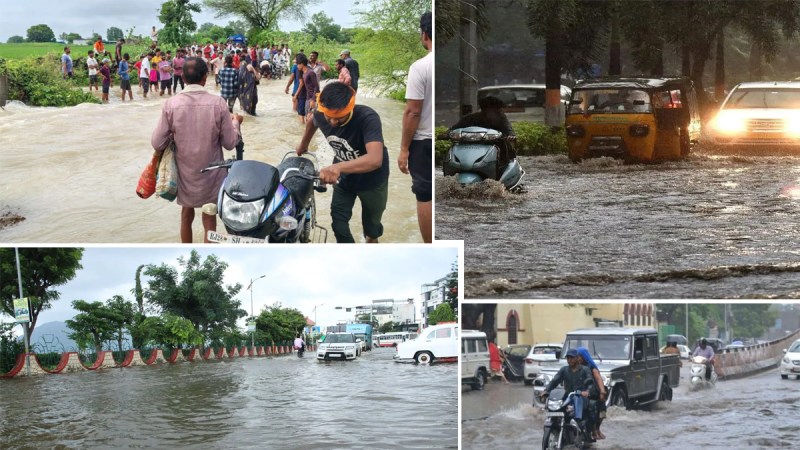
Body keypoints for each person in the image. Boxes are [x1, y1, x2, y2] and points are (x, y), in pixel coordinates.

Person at [151, 57, 243, 243]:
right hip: (212, 174)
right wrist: (236, 123)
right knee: (210, 219)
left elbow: (157, 142)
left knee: (186, 214)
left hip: (185, 175)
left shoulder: (171, 104)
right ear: (205, 77)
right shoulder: (218, 104)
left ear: (183, 78)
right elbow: (229, 143)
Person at [295, 82, 390, 243]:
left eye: (339, 118)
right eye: (328, 116)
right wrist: (303, 145)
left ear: (350, 107)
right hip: (344, 178)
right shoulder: (320, 114)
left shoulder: (367, 117)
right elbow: (312, 121)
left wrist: (337, 167)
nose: (332, 122)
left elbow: (375, 159)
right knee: (338, 224)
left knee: (372, 230)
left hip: (372, 180)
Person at [398, 11, 432, 243]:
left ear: (424, 34)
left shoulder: (420, 67)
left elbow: (413, 111)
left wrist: (403, 149)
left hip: (423, 143)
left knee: (425, 196)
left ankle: (430, 244)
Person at [449, 95, 516, 179]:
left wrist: (511, 136)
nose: (498, 112)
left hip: (496, 146)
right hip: (473, 147)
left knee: (504, 155)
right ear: (484, 109)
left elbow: (509, 129)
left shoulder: (501, 118)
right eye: (492, 110)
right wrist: (446, 134)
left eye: (498, 110)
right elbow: (455, 127)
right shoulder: (472, 118)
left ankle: (499, 176)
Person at [541, 349, 593, 421]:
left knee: (583, 402)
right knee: (555, 404)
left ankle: (578, 421)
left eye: (572, 358)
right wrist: (546, 390)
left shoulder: (585, 369)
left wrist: (587, 391)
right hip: (567, 397)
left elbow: (590, 381)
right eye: (568, 358)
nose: (569, 360)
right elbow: (555, 381)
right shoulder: (564, 370)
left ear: (577, 358)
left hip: (580, 396)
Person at [577, 347, 607, 441]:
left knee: (601, 412)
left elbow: (599, 379)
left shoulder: (591, 367)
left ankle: (597, 430)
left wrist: (602, 391)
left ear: (583, 357)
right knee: (592, 411)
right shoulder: (576, 367)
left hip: (595, 392)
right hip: (584, 393)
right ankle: (593, 431)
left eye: (579, 356)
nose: (577, 359)